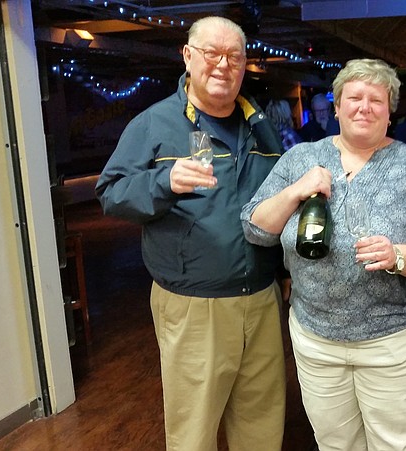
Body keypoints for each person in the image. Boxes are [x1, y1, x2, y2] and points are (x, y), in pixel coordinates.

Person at [95, 16, 286, 451]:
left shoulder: (260, 124)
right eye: (211, 54)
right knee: (193, 431)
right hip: (194, 305)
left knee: (262, 423)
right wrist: (163, 183)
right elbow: (110, 193)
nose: (223, 65)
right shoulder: (155, 124)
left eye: (233, 57)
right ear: (187, 56)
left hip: (260, 298)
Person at [242, 58, 406, 451]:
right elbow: (255, 227)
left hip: (395, 340)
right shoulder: (300, 159)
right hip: (316, 338)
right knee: (335, 444)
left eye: (377, 99)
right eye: (353, 97)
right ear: (336, 107)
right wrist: (294, 192)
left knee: (399, 445)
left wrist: (399, 256)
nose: (364, 106)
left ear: (391, 112)